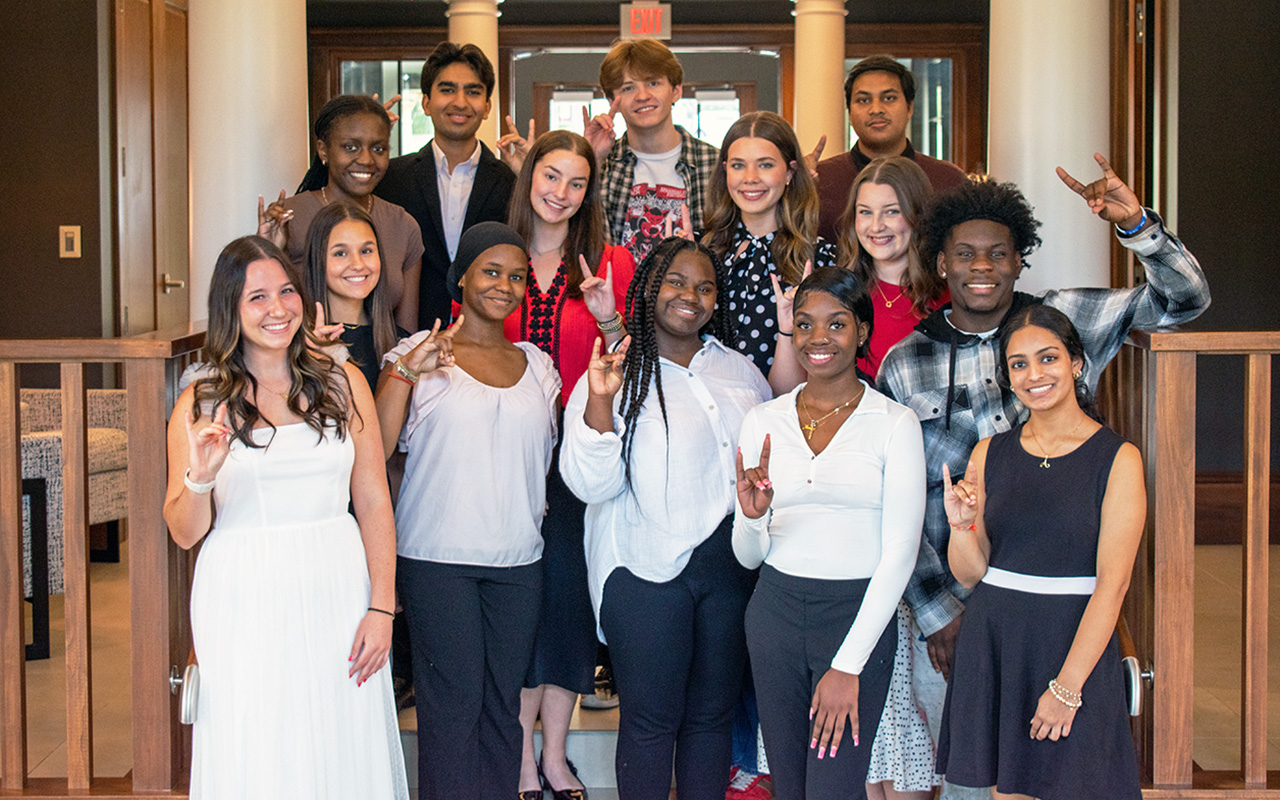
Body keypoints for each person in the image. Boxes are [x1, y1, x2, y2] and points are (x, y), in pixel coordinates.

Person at [876, 155, 1209, 798]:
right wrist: (940, 613)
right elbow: (903, 503)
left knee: (1062, 774)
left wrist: (1137, 225)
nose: (981, 268)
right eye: (964, 255)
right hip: (947, 605)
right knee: (971, 780)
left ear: (1017, 260)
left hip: (1060, 611)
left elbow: (1185, 299)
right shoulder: (905, 361)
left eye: (997, 254)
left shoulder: (1064, 320)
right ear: (940, 263)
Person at [163, 236, 406, 799]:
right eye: (257, 298)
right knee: (259, 737)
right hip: (244, 593)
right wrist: (201, 475)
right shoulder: (202, 399)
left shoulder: (342, 384)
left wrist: (382, 606)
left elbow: (372, 502)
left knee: (340, 732)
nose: (278, 309)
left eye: (287, 292)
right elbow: (183, 530)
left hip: (338, 586)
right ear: (231, 308)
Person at [560, 237, 772, 800]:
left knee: (711, 719)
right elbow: (590, 483)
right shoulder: (615, 368)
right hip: (643, 571)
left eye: (705, 287)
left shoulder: (740, 373)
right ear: (649, 288)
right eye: (676, 282)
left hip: (729, 570)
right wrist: (601, 399)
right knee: (651, 724)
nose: (691, 296)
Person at [376, 222, 560, 800]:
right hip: (437, 558)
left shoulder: (539, 365)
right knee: (453, 702)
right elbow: (377, 447)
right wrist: (409, 371)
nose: (504, 285)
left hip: (518, 560)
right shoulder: (417, 353)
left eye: (515, 276)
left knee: (505, 701)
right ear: (461, 277)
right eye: (490, 271)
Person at [936, 304, 1145, 799]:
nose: (1035, 374)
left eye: (1048, 358)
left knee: (1078, 784)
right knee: (1009, 793)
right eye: (1019, 364)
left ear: (1076, 363)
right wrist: (961, 527)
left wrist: (1067, 687)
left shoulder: (1118, 458)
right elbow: (970, 574)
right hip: (998, 640)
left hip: (1073, 643)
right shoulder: (989, 452)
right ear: (1007, 378)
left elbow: (1112, 587)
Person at [734, 267, 924, 800]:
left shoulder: (894, 423)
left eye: (836, 324)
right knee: (790, 788)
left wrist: (847, 665)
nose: (819, 338)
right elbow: (748, 559)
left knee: (834, 789)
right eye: (805, 324)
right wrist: (752, 516)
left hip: (855, 617)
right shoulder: (761, 420)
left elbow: (899, 554)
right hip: (774, 614)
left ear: (862, 330)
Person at [504, 129, 635, 800]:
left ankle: (554, 755)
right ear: (529, 177)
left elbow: (630, 358)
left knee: (568, 608)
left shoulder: (610, 261)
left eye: (576, 181)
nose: (561, 192)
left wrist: (612, 321)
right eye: (550, 176)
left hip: (581, 460)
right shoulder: (496, 254)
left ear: (590, 192)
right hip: (506, 461)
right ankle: (522, 759)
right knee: (524, 610)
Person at [375, 42, 517, 331]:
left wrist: (528, 175)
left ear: (488, 107)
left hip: (490, 337)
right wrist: (369, 138)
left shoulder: (510, 181)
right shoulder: (391, 178)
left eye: (474, 92)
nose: (460, 102)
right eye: (447, 89)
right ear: (426, 103)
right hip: (407, 335)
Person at [258, 94, 423, 332]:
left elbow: (406, 334)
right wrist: (268, 249)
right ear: (323, 151)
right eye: (351, 147)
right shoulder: (287, 218)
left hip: (382, 365)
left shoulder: (403, 225)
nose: (366, 160)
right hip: (304, 363)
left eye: (378, 148)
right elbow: (262, 310)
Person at [701, 110, 837, 381]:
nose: (750, 177)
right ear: (724, 170)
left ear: (790, 172)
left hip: (783, 416)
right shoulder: (700, 250)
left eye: (765, 165)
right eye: (738, 165)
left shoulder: (821, 260)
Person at [581, 39, 720, 263]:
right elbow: (575, 233)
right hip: (616, 296)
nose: (642, 96)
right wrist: (591, 159)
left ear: (676, 91)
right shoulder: (602, 164)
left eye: (653, 83)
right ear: (610, 100)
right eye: (628, 88)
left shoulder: (715, 164)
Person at [814, 55, 967, 243]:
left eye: (889, 98)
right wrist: (790, 183)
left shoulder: (948, 180)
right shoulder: (820, 180)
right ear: (850, 113)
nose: (876, 109)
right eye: (863, 100)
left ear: (910, 107)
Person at [301, 201, 406, 391]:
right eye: (340, 253)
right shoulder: (300, 343)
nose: (358, 264)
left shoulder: (403, 343)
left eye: (366, 251)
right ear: (317, 260)